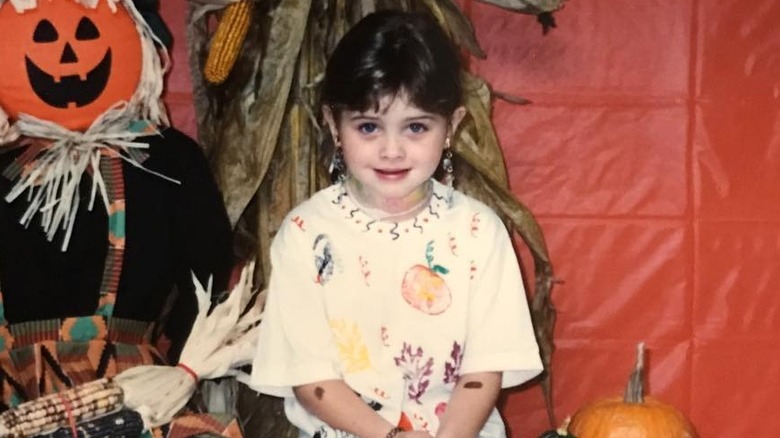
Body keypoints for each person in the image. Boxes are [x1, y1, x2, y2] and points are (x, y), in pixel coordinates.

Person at [250, 10, 542, 438]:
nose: (391, 150)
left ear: (451, 127)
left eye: (416, 127)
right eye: (368, 126)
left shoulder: (479, 231)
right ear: (334, 124)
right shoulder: (304, 235)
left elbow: (483, 371)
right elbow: (312, 380)